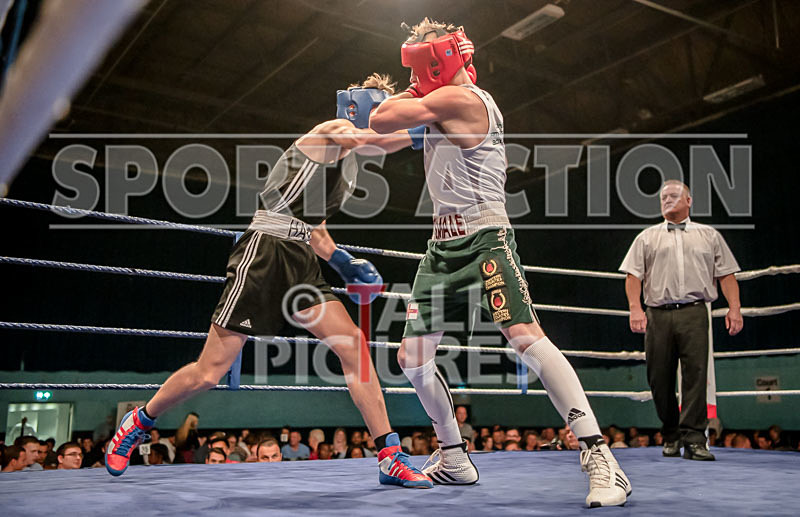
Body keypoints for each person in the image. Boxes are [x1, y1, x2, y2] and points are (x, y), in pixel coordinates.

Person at [106, 74, 432, 489]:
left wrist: (342, 261)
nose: (387, 118)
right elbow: (370, 141)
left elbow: (314, 229)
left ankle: (390, 455)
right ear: (359, 107)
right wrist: (424, 127)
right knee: (210, 372)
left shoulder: (348, 170)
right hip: (262, 252)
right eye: (382, 109)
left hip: (299, 259)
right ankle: (140, 420)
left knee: (354, 347)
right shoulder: (332, 132)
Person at [369, 17, 630, 507]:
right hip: (442, 250)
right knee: (412, 358)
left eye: (418, 60)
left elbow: (384, 119)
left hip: (486, 238)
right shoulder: (434, 108)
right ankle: (453, 458)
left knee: (525, 339)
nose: (411, 72)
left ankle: (600, 458)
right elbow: (378, 138)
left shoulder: (464, 100)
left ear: (439, 59)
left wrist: (379, 104)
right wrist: (345, 127)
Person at [620, 180, 743, 462]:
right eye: (663, 197)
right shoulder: (647, 237)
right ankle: (672, 434)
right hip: (657, 314)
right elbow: (633, 276)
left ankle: (695, 439)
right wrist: (635, 309)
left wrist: (734, 308)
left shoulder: (708, 235)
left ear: (689, 201)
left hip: (695, 311)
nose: (667, 200)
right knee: (658, 378)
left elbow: (726, 274)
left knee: (696, 376)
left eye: (674, 195)